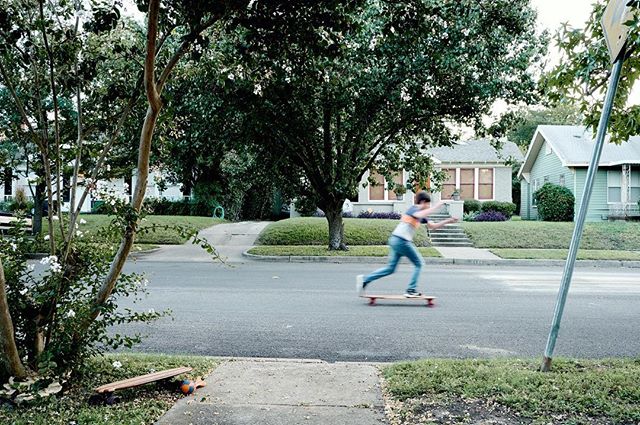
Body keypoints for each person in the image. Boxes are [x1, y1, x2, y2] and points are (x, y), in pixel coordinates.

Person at [356, 191, 458, 297]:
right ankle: (411, 290)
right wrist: (436, 207)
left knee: (390, 269)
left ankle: (365, 280)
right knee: (419, 263)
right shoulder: (414, 209)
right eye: (428, 204)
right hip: (401, 241)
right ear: (423, 202)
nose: (428, 207)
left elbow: (432, 226)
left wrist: (448, 221)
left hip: (396, 240)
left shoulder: (421, 214)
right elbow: (419, 214)